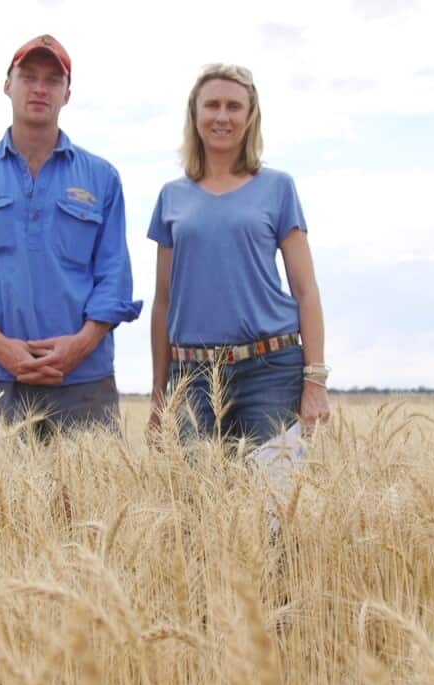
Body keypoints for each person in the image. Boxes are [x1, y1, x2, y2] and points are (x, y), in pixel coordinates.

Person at [0, 34, 142, 437]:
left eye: (53, 80)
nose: (40, 88)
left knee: (91, 482)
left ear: (67, 94)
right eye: (28, 77)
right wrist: (1, 349)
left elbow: (114, 277)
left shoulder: (102, 178)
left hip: (85, 381)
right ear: (7, 85)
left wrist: (79, 347)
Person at [148, 63, 330, 445]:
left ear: (250, 117)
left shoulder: (278, 188)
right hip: (191, 378)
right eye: (212, 105)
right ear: (195, 114)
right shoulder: (171, 197)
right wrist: (159, 393)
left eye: (234, 107)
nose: (222, 116)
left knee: (274, 484)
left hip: (270, 372)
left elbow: (305, 290)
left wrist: (315, 380)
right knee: (193, 485)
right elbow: (164, 300)